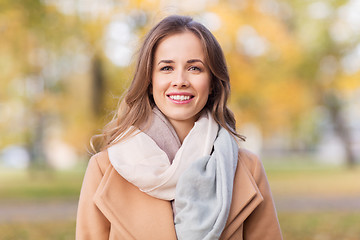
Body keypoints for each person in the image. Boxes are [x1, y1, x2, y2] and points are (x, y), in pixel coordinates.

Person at [76, 15, 282, 240]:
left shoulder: (246, 169)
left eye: (194, 68)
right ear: (149, 79)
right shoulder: (105, 168)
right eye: (166, 68)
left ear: (212, 82)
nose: (180, 80)